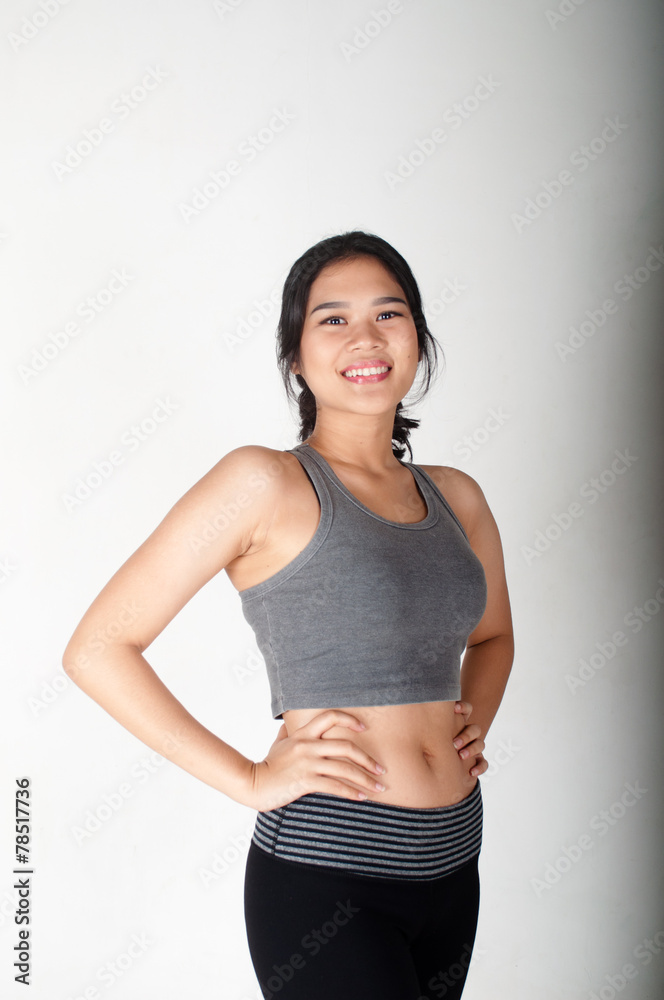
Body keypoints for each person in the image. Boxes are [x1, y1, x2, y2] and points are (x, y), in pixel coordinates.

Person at [62, 230, 514, 1000]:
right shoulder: (262, 484)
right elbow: (98, 647)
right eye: (333, 319)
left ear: (418, 340)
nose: (365, 337)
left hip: (454, 864)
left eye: (389, 314)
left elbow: (494, 635)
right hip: (327, 880)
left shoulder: (458, 497)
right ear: (295, 357)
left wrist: (476, 722)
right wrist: (248, 779)